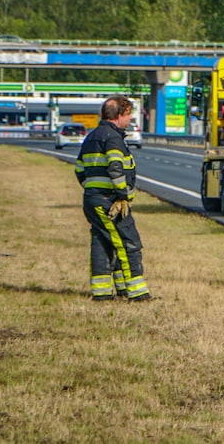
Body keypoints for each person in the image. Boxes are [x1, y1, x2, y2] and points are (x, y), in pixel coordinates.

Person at [75, 96, 150, 301]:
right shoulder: (113, 138)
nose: (130, 119)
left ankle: (103, 292)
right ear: (119, 115)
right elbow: (116, 167)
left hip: (93, 199)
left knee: (102, 242)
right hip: (109, 201)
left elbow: (79, 169)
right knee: (127, 243)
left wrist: (92, 189)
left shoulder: (92, 137)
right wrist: (121, 195)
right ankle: (137, 292)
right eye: (128, 115)